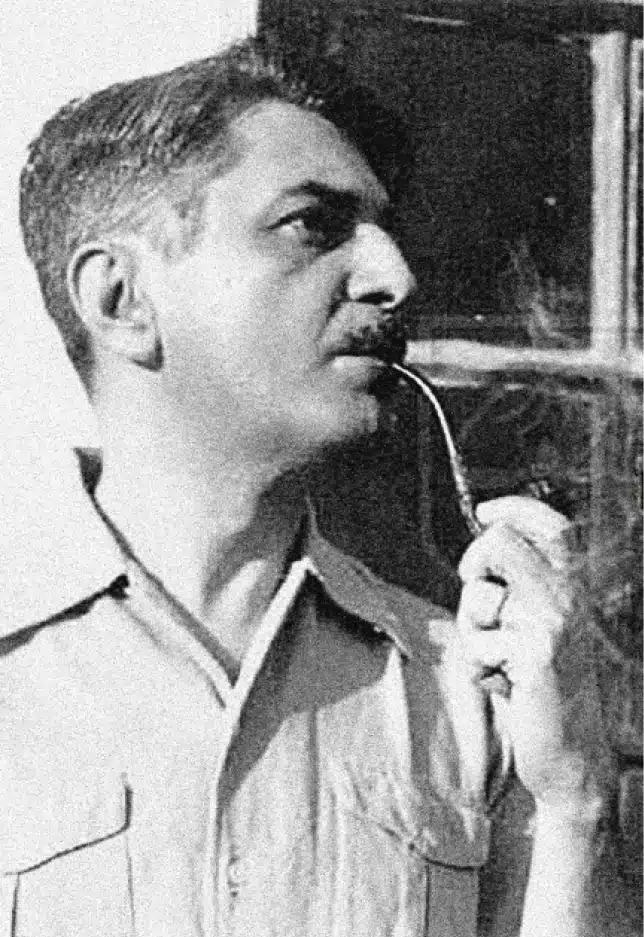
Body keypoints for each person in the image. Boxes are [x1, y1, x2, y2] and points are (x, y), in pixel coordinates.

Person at [7, 38, 622, 937]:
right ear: (121, 299)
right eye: (311, 225)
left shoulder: (468, 694)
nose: (395, 278)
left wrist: (574, 799)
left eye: (381, 231)